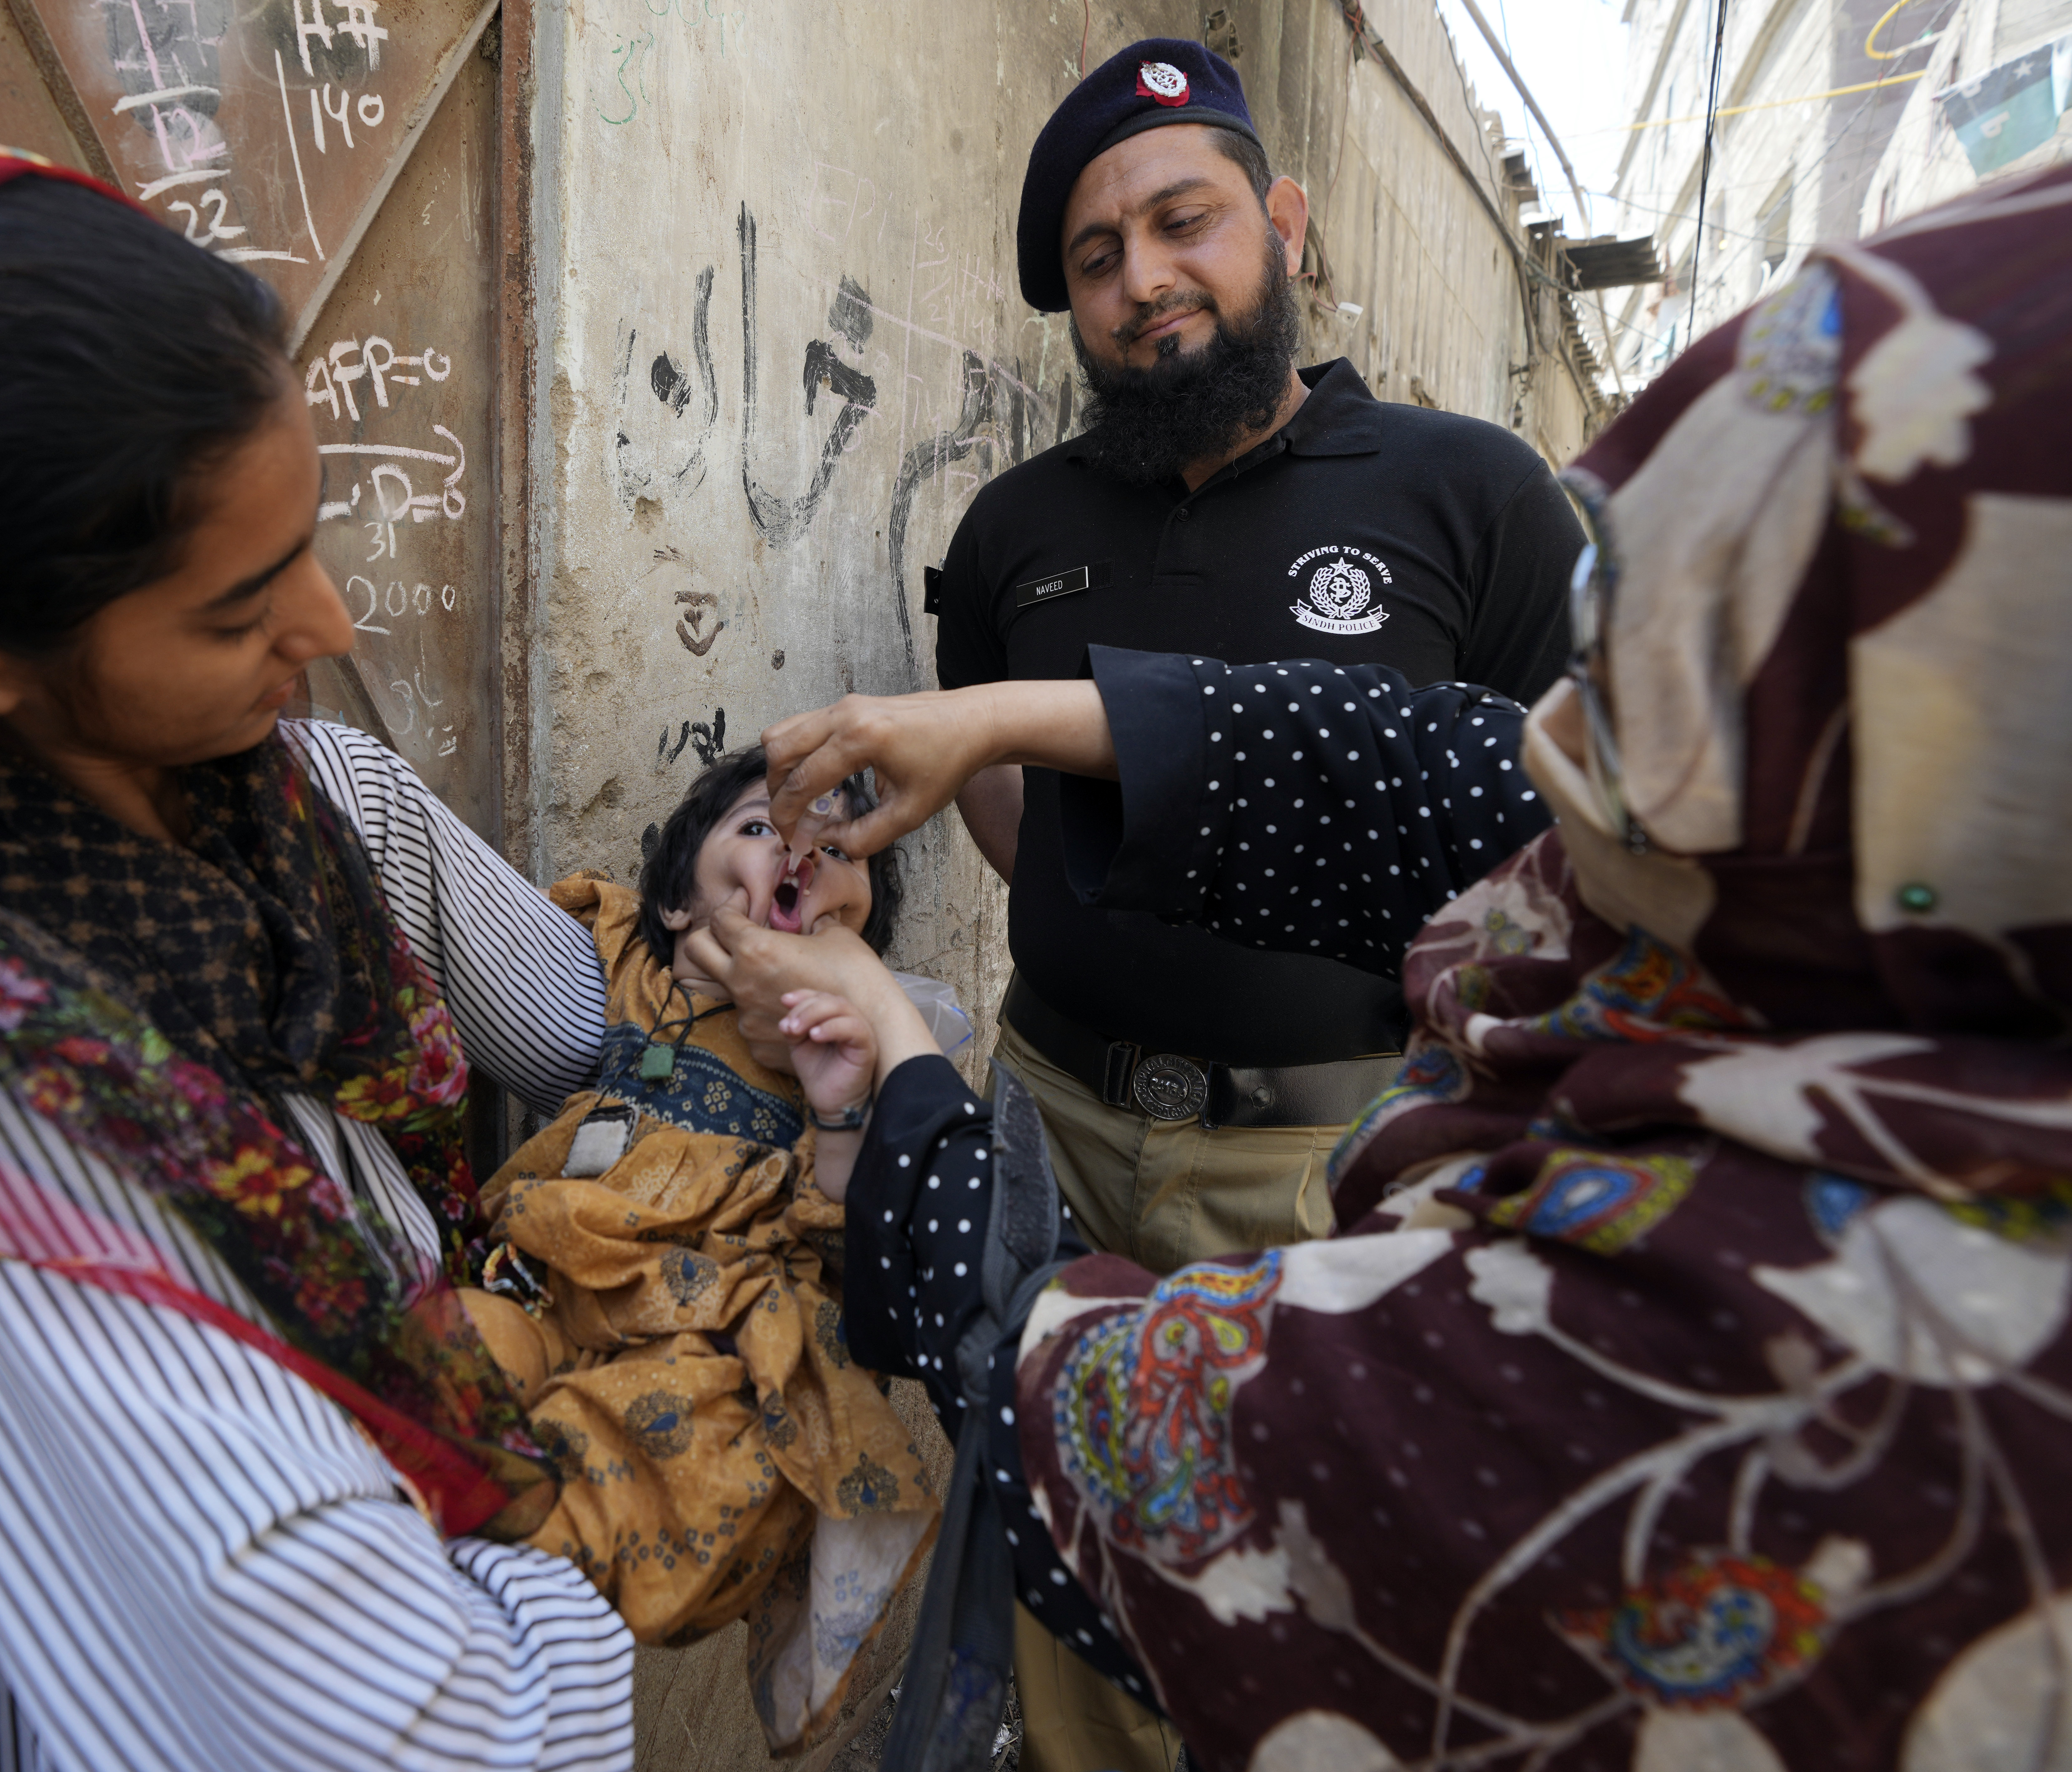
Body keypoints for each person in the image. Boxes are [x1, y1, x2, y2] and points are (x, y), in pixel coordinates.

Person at [701, 163, 2072, 1770]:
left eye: (1680, 658)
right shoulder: (1897, 941)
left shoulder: (1759, 1346)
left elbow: (1084, 1424)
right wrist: (1001, 719)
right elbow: (1415, 765)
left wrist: (896, 1057)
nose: (1560, 763)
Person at [0, 145, 634, 1770]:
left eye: (309, 538)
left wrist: (757, 962)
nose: (331, 627)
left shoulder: (317, 801)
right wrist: (653, 1476)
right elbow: (427, 1735)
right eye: (238, 610)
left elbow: (584, 1027)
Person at [930, 39, 1582, 1767]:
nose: (1145, 280)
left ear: (1284, 224)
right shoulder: (1014, 528)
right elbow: (995, 797)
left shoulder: (1472, 495)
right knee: (1064, 1586)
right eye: (1095, 257)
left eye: (1182, 221)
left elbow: (1555, 841)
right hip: (1056, 1129)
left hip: (1325, 1165)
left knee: (1308, 1630)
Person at [459, 748, 936, 1753]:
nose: (799, 847)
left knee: (683, 1437)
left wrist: (840, 1097)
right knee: (463, 1345)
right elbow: (515, 920)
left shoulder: (855, 1046)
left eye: (838, 846)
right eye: (764, 827)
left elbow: (860, 1239)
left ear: (855, 943)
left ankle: (515, 1583)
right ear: (678, 906)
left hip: (706, 1323)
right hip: (552, 1283)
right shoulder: (635, 967)